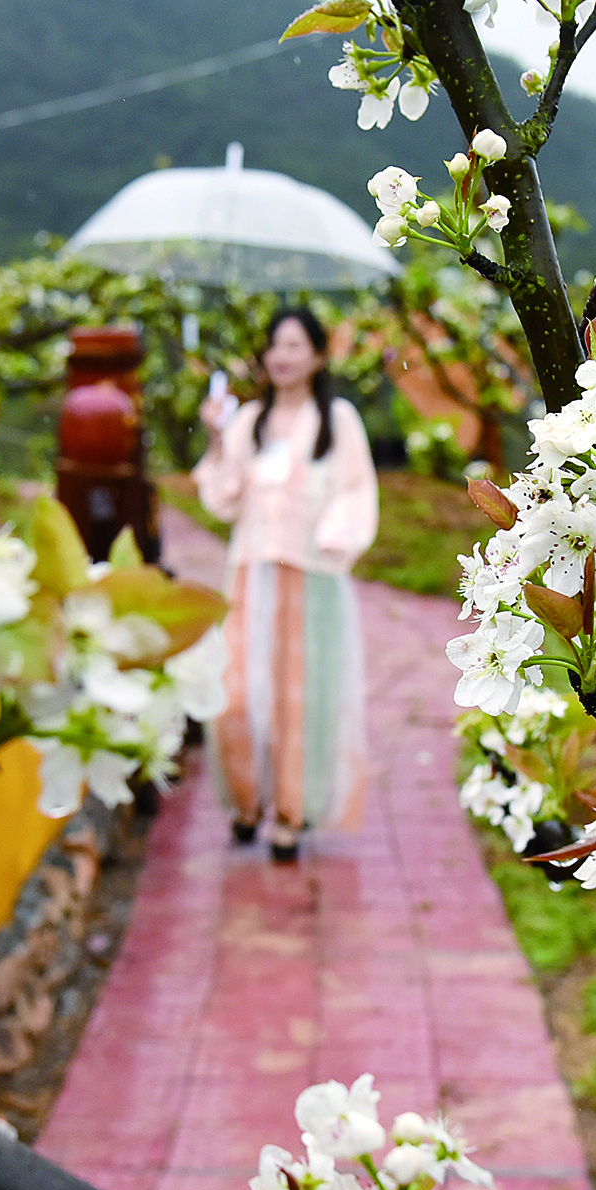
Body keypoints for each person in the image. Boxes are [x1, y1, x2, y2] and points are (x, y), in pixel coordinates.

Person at [192, 307, 378, 862]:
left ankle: (291, 816)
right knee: (236, 694)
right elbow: (224, 498)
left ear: (319, 356)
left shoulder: (337, 419)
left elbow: (355, 489)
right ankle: (247, 803)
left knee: (302, 699)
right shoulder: (247, 420)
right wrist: (218, 438)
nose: (282, 355)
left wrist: (333, 535)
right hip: (249, 575)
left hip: (310, 578)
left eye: (295, 345)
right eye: (275, 344)